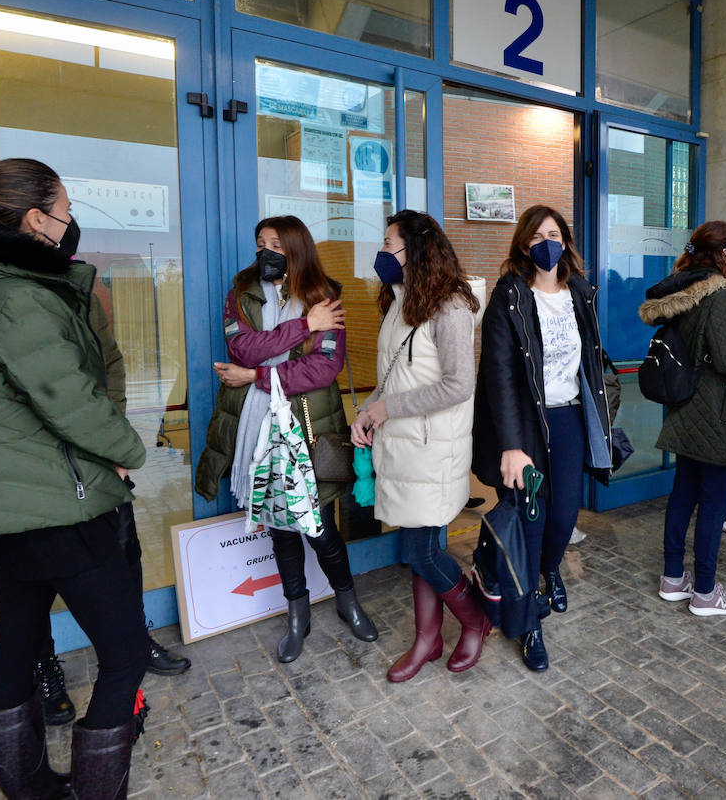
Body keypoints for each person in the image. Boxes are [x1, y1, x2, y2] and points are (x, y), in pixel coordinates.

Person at [0, 159, 150, 798]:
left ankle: (31, 788)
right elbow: (66, 395)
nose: (72, 225)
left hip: (3, 506)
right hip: (51, 510)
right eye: (67, 211)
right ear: (37, 219)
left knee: (17, 638)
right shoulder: (13, 295)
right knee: (126, 652)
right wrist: (127, 449)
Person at [194, 216, 377, 663]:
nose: (266, 250)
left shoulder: (324, 296)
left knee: (320, 527)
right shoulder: (241, 291)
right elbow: (242, 348)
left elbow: (323, 370)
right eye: (260, 242)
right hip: (255, 428)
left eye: (276, 243)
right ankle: (298, 614)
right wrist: (302, 327)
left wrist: (256, 376)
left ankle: (347, 599)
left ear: (297, 248)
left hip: (307, 427)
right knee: (279, 527)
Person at [33, 296, 191, 729]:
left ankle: (136, 641)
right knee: (34, 576)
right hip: (35, 467)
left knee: (125, 548)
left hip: (100, 459)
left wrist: (113, 442)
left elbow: (111, 368)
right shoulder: (6, 294)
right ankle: (43, 667)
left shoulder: (79, 288)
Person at [473, 205, 615, 668]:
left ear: (565, 241)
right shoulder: (510, 296)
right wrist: (512, 446)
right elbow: (499, 374)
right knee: (531, 523)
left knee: (562, 519)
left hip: (570, 419)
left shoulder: (579, 292)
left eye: (553, 234)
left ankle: (549, 569)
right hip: (527, 427)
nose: (545, 243)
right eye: (536, 237)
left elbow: (592, 358)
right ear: (523, 244)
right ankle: (529, 623)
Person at [351, 210, 489, 682]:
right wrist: (366, 411)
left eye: (390, 243)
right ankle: (428, 639)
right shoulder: (399, 301)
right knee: (416, 546)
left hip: (433, 450)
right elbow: (394, 378)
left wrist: (386, 410)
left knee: (424, 552)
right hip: (404, 447)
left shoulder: (450, 306)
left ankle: (475, 620)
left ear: (417, 249)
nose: (383, 252)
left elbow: (458, 385)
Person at [641, 221, 726, 618]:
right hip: (718, 414)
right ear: (724, 252)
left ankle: (673, 578)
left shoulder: (680, 285)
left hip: (686, 408)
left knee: (683, 493)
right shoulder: (719, 293)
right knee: (714, 500)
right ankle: (706, 591)